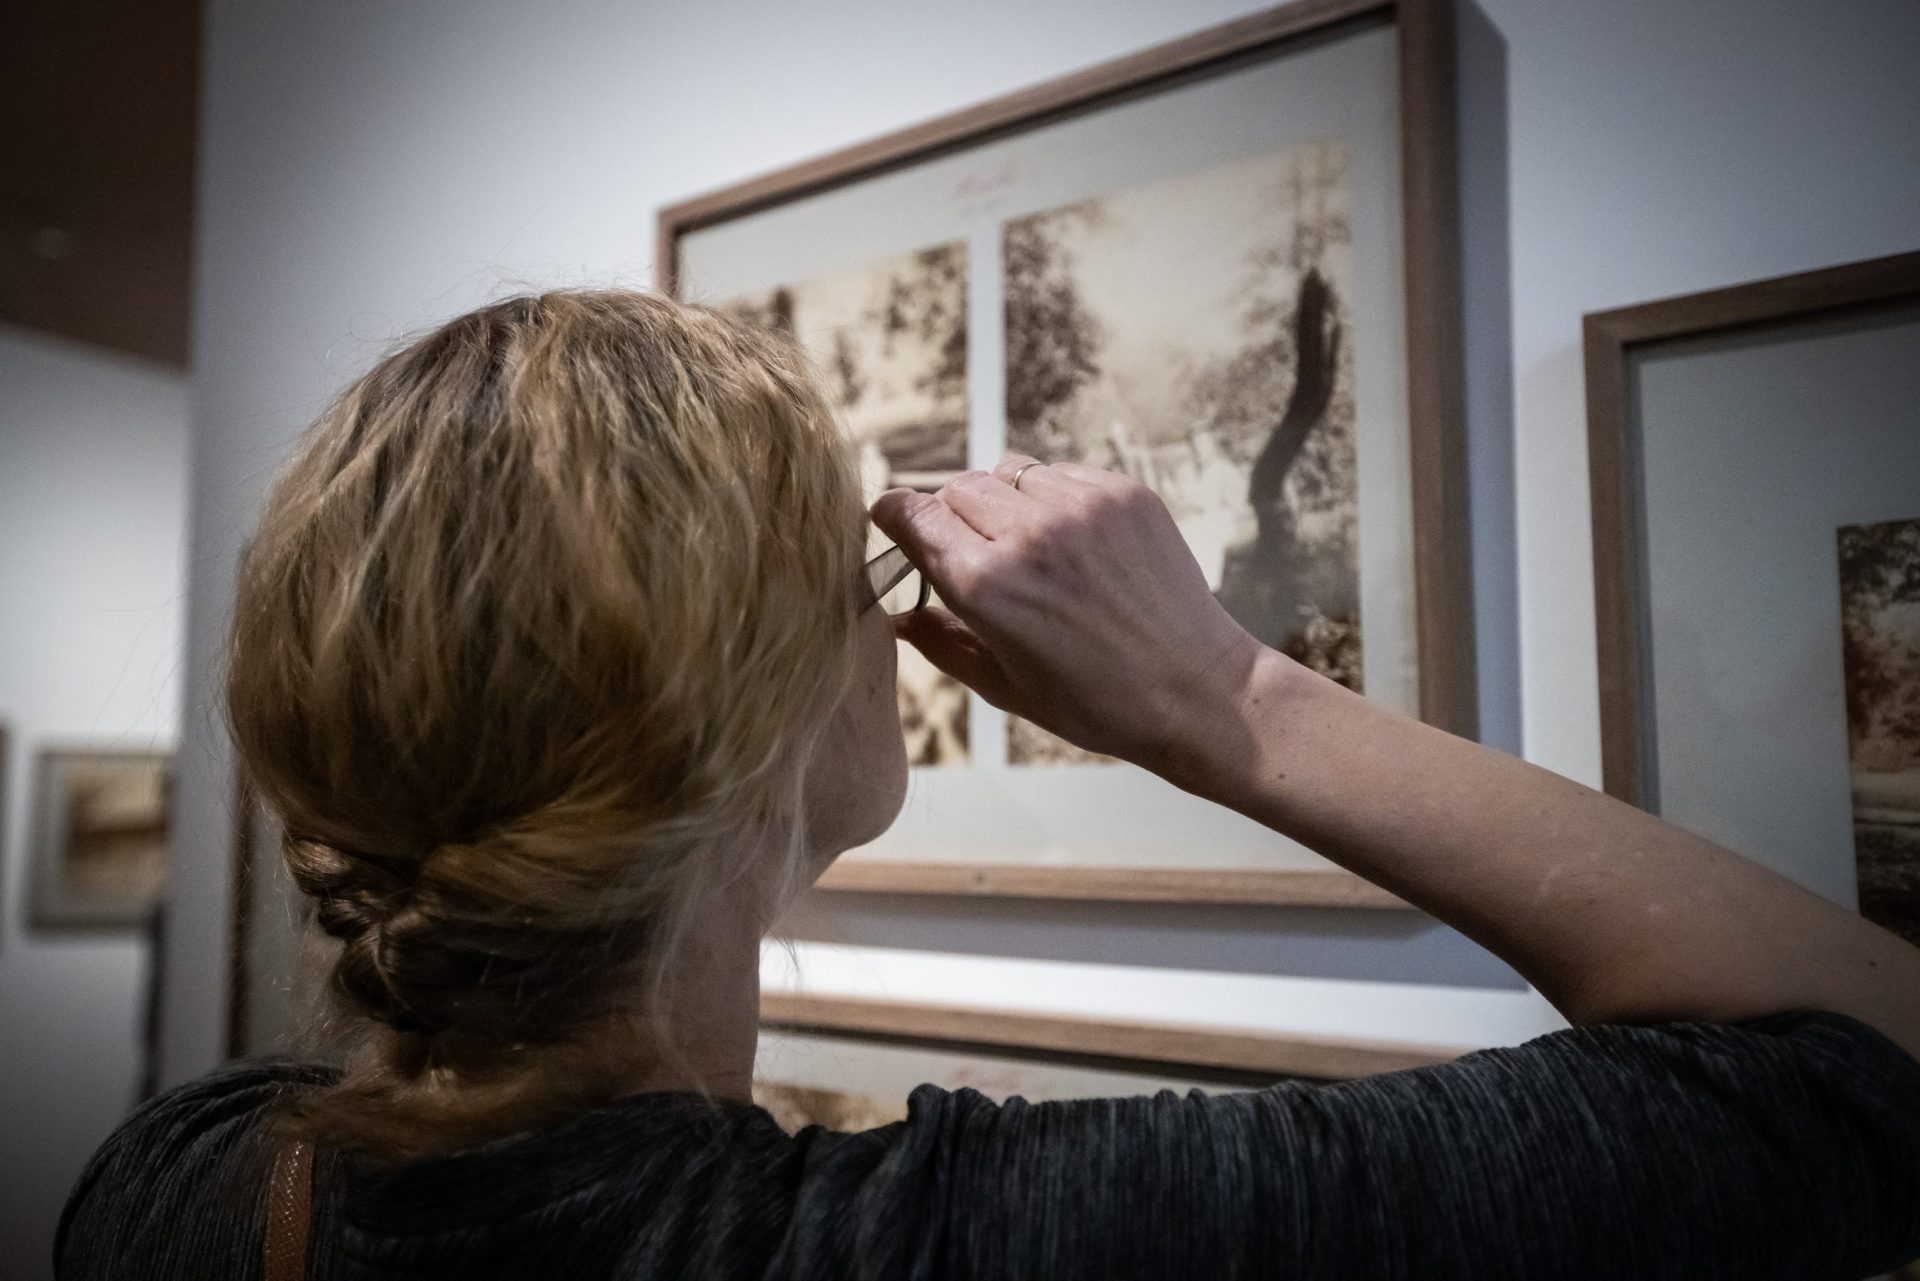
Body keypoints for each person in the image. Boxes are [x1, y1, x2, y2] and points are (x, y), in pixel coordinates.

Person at [56, 290, 1920, 1280]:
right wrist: (1220, 690)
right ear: (758, 723)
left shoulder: (186, 1182)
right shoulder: (982, 1243)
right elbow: (1873, 1073)